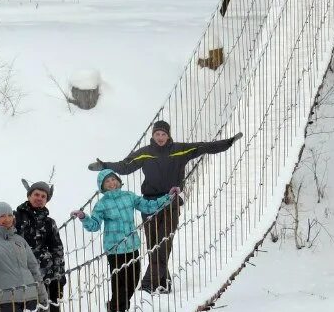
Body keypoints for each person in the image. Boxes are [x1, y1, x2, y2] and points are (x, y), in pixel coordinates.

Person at [89, 120, 241, 294]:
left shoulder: (180, 150)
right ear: (152, 136)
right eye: (157, 134)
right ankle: (164, 282)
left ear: (168, 135)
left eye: (163, 134)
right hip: (149, 205)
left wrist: (227, 143)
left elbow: (204, 147)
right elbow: (125, 167)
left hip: (171, 202)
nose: (160, 137)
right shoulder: (145, 153)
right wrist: (105, 166)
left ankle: (149, 283)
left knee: (163, 243)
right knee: (154, 244)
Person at [71, 170, 175, 312]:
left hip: (132, 245)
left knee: (133, 279)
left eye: (113, 179)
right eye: (107, 182)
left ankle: (113, 306)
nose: (111, 183)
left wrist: (168, 197)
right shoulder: (101, 204)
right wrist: (83, 217)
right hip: (114, 249)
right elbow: (94, 226)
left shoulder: (129, 196)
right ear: (102, 186)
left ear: (118, 181)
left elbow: (147, 206)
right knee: (119, 281)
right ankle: (121, 309)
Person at [15, 179, 77, 312]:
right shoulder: (16, 218)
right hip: (27, 279)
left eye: (43, 196)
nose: (39, 199)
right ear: (29, 196)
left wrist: (60, 276)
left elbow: (58, 249)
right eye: (36, 195)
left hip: (49, 277)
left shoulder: (50, 223)